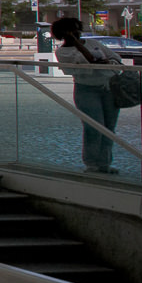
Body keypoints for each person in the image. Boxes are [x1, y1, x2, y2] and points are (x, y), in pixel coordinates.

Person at [54, 15, 121, 173]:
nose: (76, 32)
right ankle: (91, 163)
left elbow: (115, 58)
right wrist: (78, 46)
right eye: (71, 30)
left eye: (77, 29)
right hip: (86, 90)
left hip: (108, 88)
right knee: (93, 127)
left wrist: (108, 64)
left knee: (109, 127)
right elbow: (77, 68)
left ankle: (105, 163)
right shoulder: (62, 52)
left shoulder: (93, 43)